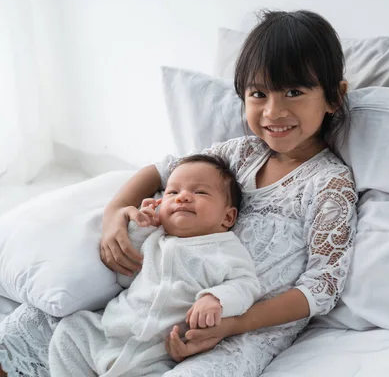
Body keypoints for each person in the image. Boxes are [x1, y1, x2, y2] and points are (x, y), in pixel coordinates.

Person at [0, 9, 358, 377]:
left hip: (244, 330)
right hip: (158, 304)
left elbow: (320, 288)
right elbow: (162, 169)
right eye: (258, 93)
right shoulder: (240, 154)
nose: (273, 110)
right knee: (37, 325)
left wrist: (232, 324)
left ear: (333, 97)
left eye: (294, 92)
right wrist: (116, 212)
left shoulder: (329, 184)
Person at [48, 154, 261, 376]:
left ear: (227, 217)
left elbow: (246, 284)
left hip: (158, 353)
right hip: (111, 332)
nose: (183, 198)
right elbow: (125, 277)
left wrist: (216, 299)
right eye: (173, 192)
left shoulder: (226, 250)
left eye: (199, 192)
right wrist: (140, 228)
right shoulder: (155, 238)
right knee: (71, 330)